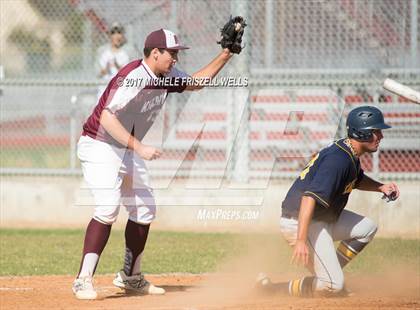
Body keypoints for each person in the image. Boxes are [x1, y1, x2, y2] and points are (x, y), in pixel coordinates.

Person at [72, 21, 245, 300]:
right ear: (154, 53)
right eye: (171, 53)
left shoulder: (166, 74)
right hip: (100, 143)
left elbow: (196, 84)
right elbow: (106, 117)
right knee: (107, 207)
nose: (175, 58)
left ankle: (130, 276)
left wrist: (226, 54)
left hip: (125, 147)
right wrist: (138, 147)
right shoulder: (134, 77)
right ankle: (83, 280)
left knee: (144, 210)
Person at [256, 106, 400, 297]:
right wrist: (300, 240)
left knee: (367, 228)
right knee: (333, 285)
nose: (381, 136)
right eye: (376, 132)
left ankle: (327, 271)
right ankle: (272, 290)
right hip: (300, 221)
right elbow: (308, 198)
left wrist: (380, 187)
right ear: (362, 133)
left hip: (322, 218)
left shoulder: (348, 152)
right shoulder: (338, 160)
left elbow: (356, 178)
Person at [96, 22, 134, 97]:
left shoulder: (128, 52)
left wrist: (118, 67)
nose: (116, 36)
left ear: (123, 35)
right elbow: (98, 74)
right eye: (113, 33)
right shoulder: (102, 51)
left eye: (119, 32)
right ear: (110, 35)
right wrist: (106, 69)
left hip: (122, 92)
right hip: (104, 91)